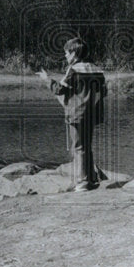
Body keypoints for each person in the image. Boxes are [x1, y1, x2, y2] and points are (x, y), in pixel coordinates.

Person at [39, 37, 107, 192]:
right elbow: (103, 92)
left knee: (78, 147)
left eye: (67, 53)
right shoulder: (96, 69)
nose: (65, 56)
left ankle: (82, 182)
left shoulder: (74, 70)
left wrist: (46, 79)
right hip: (92, 114)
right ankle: (90, 178)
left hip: (77, 113)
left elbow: (59, 90)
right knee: (86, 146)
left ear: (74, 53)